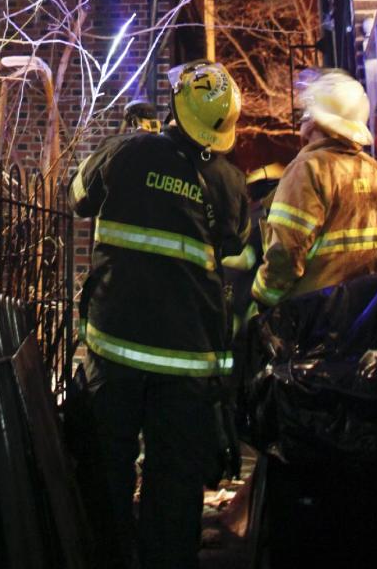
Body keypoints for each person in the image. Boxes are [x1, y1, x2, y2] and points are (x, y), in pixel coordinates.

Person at [70, 61, 249, 569]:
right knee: (174, 486)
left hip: (115, 350)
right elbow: (234, 245)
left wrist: (129, 144)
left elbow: (77, 196)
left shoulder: (128, 151)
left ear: (175, 107)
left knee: (107, 471)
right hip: (189, 363)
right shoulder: (230, 184)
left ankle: (106, 556)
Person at [251, 68, 377, 311]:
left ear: (318, 119)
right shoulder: (374, 170)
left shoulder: (308, 169)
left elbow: (285, 252)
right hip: (364, 310)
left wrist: (262, 298)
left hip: (315, 313)